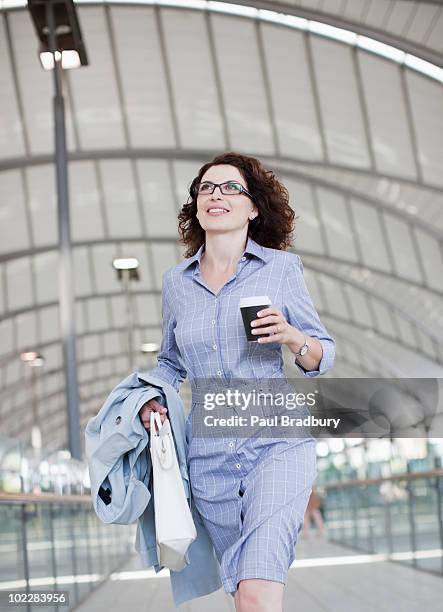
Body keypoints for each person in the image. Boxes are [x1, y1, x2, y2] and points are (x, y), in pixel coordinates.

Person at [138, 152, 335, 612]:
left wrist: (291, 336)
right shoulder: (176, 283)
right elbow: (170, 363)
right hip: (211, 458)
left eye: (230, 188)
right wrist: (150, 398)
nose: (216, 195)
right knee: (244, 597)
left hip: (278, 444)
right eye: (206, 188)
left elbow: (323, 354)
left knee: (258, 594)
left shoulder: (281, 270)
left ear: (253, 208)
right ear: (196, 207)